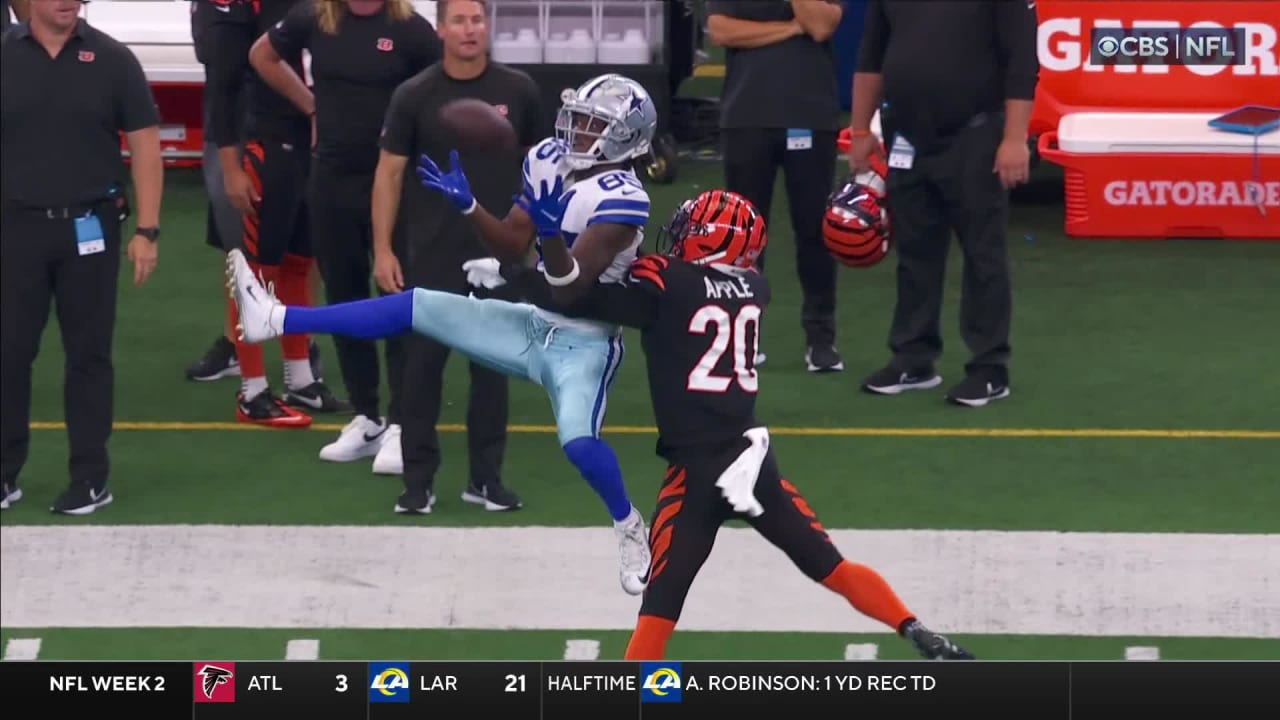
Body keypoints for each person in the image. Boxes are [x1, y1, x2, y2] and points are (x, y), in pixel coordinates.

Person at [481, 189, 974, 661]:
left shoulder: (666, 280)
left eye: (689, 230)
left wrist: (512, 277)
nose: (676, 237)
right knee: (830, 566)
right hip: (749, 460)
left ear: (707, 238)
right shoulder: (755, 287)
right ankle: (913, 626)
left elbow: (578, 298)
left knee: (660, 607)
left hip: (695, 473)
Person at [226, 72, 661, 596]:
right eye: (578, 119)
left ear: (626, 137)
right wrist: (470, 207)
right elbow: (511, 246)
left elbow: (569, 288)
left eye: (593, 125)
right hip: (530, 322)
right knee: (415, 306)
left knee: (579, 443)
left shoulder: (625, 199)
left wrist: (543, 238)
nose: (577, 133)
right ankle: (274, 318)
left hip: (583, 343)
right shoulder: (550, 159)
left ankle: (630, 526)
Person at [249, 0, 440, 468]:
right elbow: (261, 55)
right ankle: (368, 417)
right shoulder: (314, 18)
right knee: (344, 301)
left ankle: (402, 423)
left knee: (396, 300)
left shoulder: (411, 29)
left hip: (394, 184)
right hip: (331, 180)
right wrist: (310, 104)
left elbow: (443, 88)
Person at [1, 0, 162, 514]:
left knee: (89, 357)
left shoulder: (114, 60)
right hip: (15, 230)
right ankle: (5, 473)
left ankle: (90, 478)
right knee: (8, 354)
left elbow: (145, 146)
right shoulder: (4, 56)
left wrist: (148, 230)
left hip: (88, 233)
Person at [848, 1, 1038, 407]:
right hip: (907, 136)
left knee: (982, 254)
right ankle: (913, 358)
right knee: (915, 251)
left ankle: (989, 367)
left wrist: (1014, 138)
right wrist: (861, 128)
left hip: (975, 134)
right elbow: (870, 58)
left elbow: (1022, 61)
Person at [205, 0, 347, 427]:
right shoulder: (239, 9)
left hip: (308, 145)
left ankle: (300, 379)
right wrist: (231, 167)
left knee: (299, 263)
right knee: (256, 270)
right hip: (264, 142)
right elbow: (223, 85)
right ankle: (252, 390)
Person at [706, 0, 845, 372]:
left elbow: (820, 24)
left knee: (815, 230)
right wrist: (788, 28)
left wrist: (772, 29)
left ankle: (821, 340)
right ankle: (742, 337)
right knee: (743, 235)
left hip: (810, 115)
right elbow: (720, 30)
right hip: (747, 116)